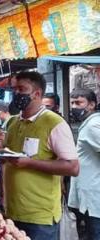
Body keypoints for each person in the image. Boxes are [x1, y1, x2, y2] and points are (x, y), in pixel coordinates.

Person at [0, 71, 79, 240]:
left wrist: (29, 163)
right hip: (11, 211)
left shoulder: (54, 123)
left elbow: (73, 167)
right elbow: (7, 157)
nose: (16, 93)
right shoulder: (12, 122)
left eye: (21, 89)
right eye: (14, 89)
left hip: (40, 217)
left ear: (37, 93)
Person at [68, 89, 100, 240]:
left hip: (93, 196)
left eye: (79, 103)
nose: (74, 106)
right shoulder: (91, 124)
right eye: (73, 103)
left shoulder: (92, 126)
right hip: (90, 193)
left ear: (91, 105)